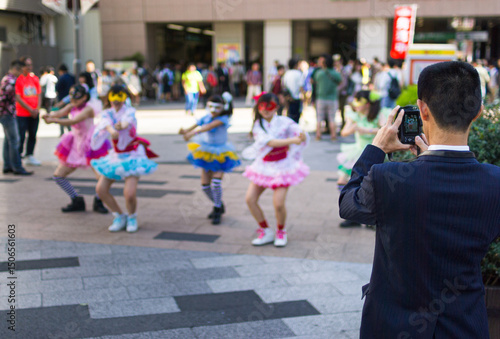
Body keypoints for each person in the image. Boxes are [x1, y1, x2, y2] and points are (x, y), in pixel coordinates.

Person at [339, 61, 500, 338]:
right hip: (464, 325)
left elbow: (348, 205)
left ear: (422, 109)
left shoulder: (387, 178)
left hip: (392, 324)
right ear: (478, 113)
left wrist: (376, 148)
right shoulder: (495, 181)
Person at [243, 93, 309, 247]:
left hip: (282, 167)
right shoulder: (257, 126)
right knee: (250, 199)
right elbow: (269, 142)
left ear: (276, 107)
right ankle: (265, 230)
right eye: (262, 106)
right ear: (258, 108)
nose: (266, 110)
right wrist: (293, 140)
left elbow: (298, 132)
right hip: (263, 167)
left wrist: (302, 135)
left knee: (278, 204)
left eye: (270, 106)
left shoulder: (285, 122)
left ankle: (281, 230)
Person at [91, 85, 158, 233]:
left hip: (133, 156)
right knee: (101, 190)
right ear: (109, 97)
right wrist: (111, 130)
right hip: (116, 157)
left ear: (125, 97)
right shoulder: (107, 113)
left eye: (119, 96)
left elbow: (128, 120)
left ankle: (132, 217)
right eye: (113, 97)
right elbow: (104, 123)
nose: (116, 101)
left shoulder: (129, 111)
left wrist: (121, 126)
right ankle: (119, 216)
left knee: (129, 193)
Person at [42, 84, 109, 213]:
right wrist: (49, 115)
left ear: (84, 97)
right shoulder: (71, 105)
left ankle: (99, 201)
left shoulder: (88, 109)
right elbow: (60, 112)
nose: (73, 101)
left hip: (91, 144)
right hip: (75, 144)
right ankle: (76, 200)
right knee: (58, 176)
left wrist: (53, 120)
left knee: (102, 177)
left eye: (77, 98)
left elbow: (73, 121)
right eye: (72, 98)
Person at [179, 92, 241, 225]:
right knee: (205, 187)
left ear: (223, 107)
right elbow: (196, 125)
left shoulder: (223, 119)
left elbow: (207, 127)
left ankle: (217, 208)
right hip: (206, 152)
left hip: (221, 153)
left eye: (217, 107)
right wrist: (185, 131)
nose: (213, 111)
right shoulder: (206, 117)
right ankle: (218, 204)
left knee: (216, 183)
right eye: (210, 107)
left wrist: (191, 133)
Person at [337, 90, 387, 228]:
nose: (356, 104)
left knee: (372, 185)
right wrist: (353, 127)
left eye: (360, 101)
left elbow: (385, 129)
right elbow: (344, 132)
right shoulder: (355, 116)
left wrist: (367, 130)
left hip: (374, 153)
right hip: (357, 153)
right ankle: (352, 212)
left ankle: (371, 215)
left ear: (368, 103)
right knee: (343, 180)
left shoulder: (379, 115)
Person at [0, 59, 32, 175]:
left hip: (6, 114)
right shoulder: (11, 81)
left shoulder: (7, 79)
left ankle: (8, 166)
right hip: (8, 114)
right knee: (14, 141)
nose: (22, 73)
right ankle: (17, 167)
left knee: (9, 141)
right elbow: (3, 100)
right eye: (21, 71)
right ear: (16, 69)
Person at [15, 56, 42, 166]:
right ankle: (18, 157)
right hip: (22, 113)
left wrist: (37, 109)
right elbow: (18, 97)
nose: (30, 67)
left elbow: (39, 94)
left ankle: (29, 155)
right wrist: (29, 109)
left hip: (34, 113)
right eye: (27, 65)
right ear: (22, 67)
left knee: (32, 134)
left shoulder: (34, 78)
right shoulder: (19, 79)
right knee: (21, 136)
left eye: (31, 65)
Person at [313, 54, 342, 140]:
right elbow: (340, 82)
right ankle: (333, 136)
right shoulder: (336, 73)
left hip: (321, 98)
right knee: (332, 118)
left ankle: (318, 135)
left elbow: (316, 82)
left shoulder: (319, 73)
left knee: (319, 118)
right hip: (332, 99)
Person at [282, 58, 305, 123]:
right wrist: (304, 96)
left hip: (289, 98)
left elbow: (283, 86)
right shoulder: (299, 73)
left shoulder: (286, 74)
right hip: (297, 97)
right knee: (296, 116)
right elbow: (301, 86)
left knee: (290, 115)